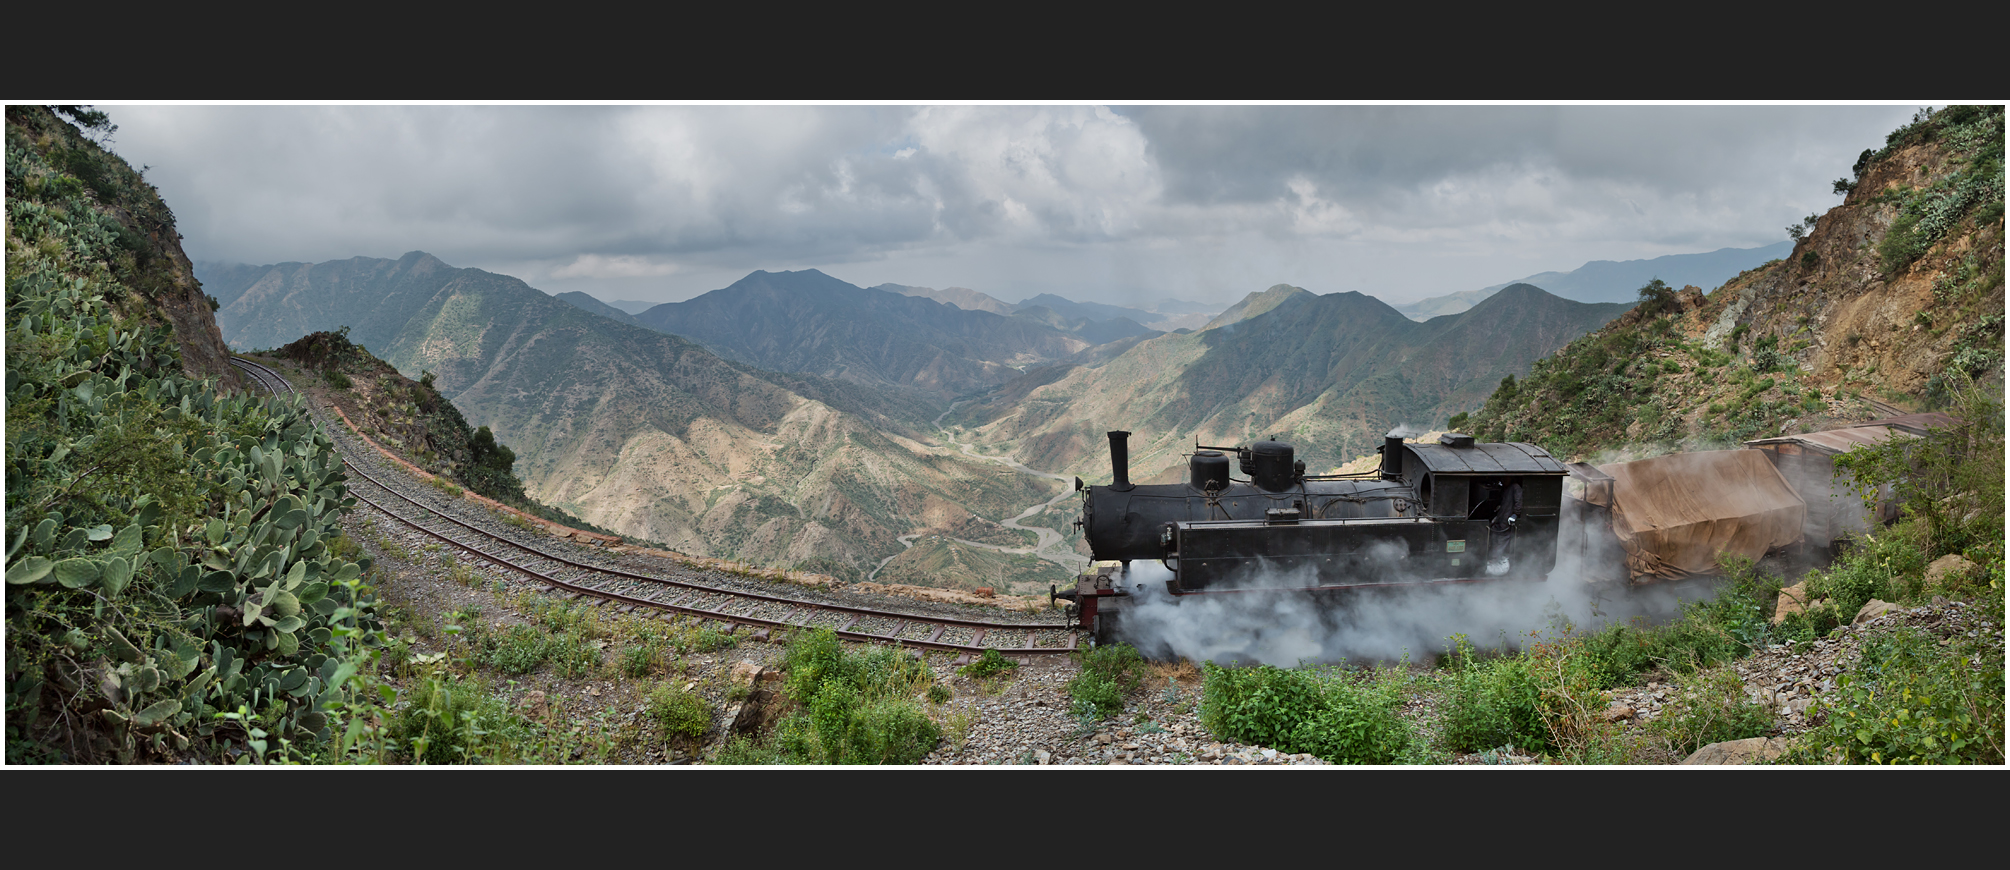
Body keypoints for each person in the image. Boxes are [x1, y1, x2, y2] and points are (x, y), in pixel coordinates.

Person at [1485, 477, 1522, 576]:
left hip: (1506, 519)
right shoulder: (1505, 488)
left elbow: (1518, 502)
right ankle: (1493, 559)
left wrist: (1515, 515)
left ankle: (1497, 561)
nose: (1504, 481)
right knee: (1494, 537)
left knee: (1502, 539)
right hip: (1501, 517)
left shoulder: (1515, 487)